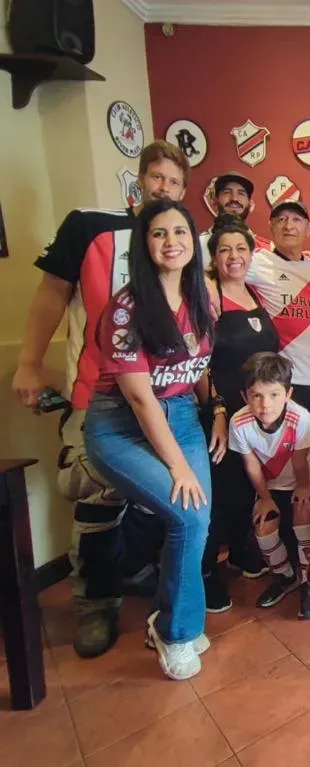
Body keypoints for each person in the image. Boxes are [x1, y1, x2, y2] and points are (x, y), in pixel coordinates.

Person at [12, 140, 190, 658]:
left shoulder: (180, 238)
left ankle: (135, 571)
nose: (164, 189)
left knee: (163, 494)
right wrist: (28, 362)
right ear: (139, 181)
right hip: (100, 394)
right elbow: (50, 294)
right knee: (96, 499)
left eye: (175, 183)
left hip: (166, 395)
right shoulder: (90, 226)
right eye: (156, 178)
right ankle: (94, 601)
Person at [84, 198, 216, 681]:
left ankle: (168, 619)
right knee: (186, 511)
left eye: (180, 232)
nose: (171, 242)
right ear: (144, 243)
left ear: (193, 242)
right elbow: (139, 400)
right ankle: (177, 633)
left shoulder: (201, 295)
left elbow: (198, 369)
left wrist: (216, 410)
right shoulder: (127, 308)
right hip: (119, 422)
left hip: (179, 413)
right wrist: (179, 466)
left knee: (196, 518)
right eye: (159, 233)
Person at [201, 215, 281, 612]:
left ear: (252, 254)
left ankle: (237, 553)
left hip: (255, 412)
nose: (234, 256)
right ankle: (206, 574)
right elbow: (199, 363)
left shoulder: (254, 292)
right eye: (224, 249)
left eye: (241, 249)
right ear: (214, 257)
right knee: (218, 492)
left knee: (244, 487)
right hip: (221, 411)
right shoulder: (207, 294)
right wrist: (216, 408)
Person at [229, 353, 310, 619]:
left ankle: (307, 578)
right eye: (256, 395)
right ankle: (285, 576)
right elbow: (251, 465)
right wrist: (265, 498)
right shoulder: (239, 422)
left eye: (273, 395)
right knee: (263, 524)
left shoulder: (299, 416)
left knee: (303, 512)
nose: (265, 404)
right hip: (271, 485)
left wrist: (303, 488)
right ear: (245, 396)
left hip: (302, 478)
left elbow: (300, 460)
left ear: (288, 394)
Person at [246, 200, 310, 436]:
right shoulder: (258, 262)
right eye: (281, 220)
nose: (288, 226)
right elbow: (221, 269)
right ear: (271, 226)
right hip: (281, 383)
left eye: (296, 220)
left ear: (308, 228)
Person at [198, 172, 273, 261]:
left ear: (250, 204)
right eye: (227, 192)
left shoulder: (268, 249)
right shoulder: (197, 246)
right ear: (214, 202)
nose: (234, 198)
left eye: (241, 193)